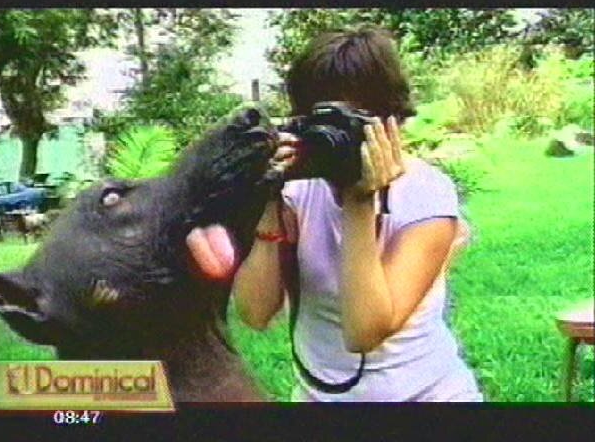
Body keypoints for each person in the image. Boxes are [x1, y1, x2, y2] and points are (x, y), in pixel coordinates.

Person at [188, 27, 483, 402]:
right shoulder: (296, 190)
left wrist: (358, 204)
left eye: (348, 120)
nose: (335, 136)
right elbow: (256, 314)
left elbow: (364, 332)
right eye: (321, 120)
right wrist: (267, 199)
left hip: (426, 395)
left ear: (391, 120)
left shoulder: (427, 193)